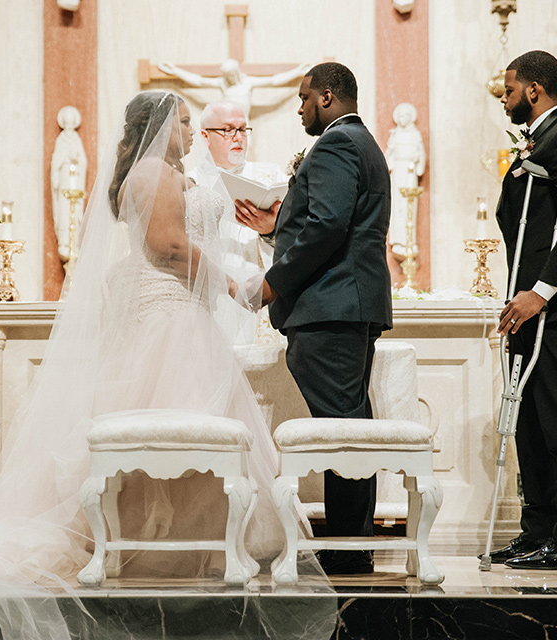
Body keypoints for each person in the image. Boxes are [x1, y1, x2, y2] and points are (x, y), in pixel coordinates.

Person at [0, 91, 335, 639]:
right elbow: (168, 246)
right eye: (186, 123)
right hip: (170, 316)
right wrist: (233, 280)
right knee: (171, 425)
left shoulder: (169, 173)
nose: (193, 133)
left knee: (192, 430)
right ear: (159, 125)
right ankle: (157, 546)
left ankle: (180, 544)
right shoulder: (152, 174)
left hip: (184, 313)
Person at [254, 62, 393, 575]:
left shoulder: (335, 144)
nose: (299, 107)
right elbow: (331, 222)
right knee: (349, 426)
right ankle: (350, 546)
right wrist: (278, 224)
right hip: (349, 303)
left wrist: (274, 282)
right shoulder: (363, 143)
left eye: (304, 97)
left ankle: (349, 551)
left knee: (342, 432)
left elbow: (327, 226)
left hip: (330, 307)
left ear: (328, 96)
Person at [489, 50, 557, 571]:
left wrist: (539, 292)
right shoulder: (533, 145)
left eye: (509, 90)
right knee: (529, 423)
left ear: (534, 89)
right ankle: (537, 531)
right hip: (528, 308)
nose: (504, 98)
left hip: (555, 309)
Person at [189, 100, 284, 343]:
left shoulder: (270, 175)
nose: (238, 137)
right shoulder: (189, 182)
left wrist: (271, 230)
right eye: (227, 129)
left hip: (263, 290)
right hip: (213, 293)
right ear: (205, 136)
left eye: (242, 129)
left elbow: (302, 236)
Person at [158, 58, 309, 120]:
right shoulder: (222, 83)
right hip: (226, 123)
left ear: (235, 73)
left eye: (230, 75)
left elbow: (274, 81)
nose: (229, 78)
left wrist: (297, 72)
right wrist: (176, 71)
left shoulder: (248, 82)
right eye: (227, 75)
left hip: (244, 122)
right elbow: (199, 81)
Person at [384, 102, 426, 261]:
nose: (402, 119)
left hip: (409, 172)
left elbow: (421, 154)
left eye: (405, 116)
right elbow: (389, 154)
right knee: (398, 206)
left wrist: (418, 163)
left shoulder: (415, 134)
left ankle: (409, 240)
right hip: (398, 172)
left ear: (410, 118)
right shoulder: (394, 134)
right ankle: (399, 240)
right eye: (400, 116)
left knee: (410, 205)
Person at [50, 105, 88, 264]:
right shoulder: (61, 139)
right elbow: (56, 160)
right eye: (67, 122)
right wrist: (56, 176)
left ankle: (74, 242)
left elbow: (83, 160)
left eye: (72, 122)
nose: (70, 125)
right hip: (65, 177)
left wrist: (76, 160)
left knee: (75, 208)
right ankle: (65, 243)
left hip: (75, 177)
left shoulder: (76, 140)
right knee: (64, 211)